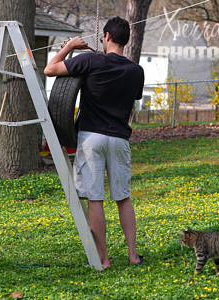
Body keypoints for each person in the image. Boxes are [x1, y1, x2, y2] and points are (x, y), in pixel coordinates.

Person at [44, 16, 144, 269]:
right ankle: (133, 255)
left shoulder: (91, 60)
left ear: (107, 36)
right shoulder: (136, 71)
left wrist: (70, 47)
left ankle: (104, 259)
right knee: (123, 198)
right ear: (126, 40)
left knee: (95, 199)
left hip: (91, 137)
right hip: (120, 138)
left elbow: (50, 69)